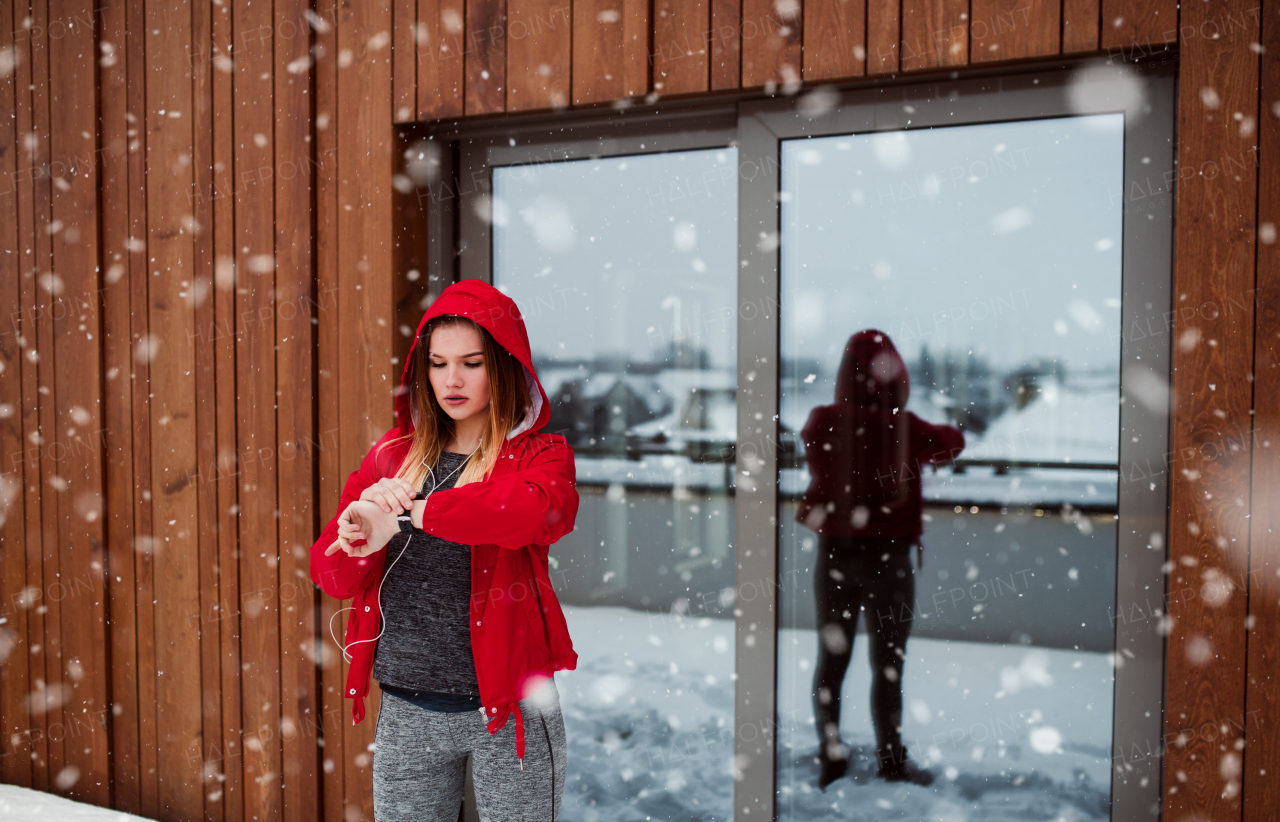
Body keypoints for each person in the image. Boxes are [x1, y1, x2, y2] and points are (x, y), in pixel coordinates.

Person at [309, 280, 579, 821]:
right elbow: (331, 574)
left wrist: (423, 512)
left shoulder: (538, 456)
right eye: (437, 363)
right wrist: (359, 535)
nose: (451, 380)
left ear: (502, 367)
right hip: (408, 709)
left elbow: (541, 511)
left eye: (471, 363)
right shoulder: (390, 458)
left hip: (510, 712)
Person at [795, 329, 964, 790]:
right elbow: (953, 442)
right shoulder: (907, 429)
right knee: (888, 663)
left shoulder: (821, 421)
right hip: (889, 560)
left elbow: (817, 455)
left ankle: (831, 755)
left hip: (836, 555)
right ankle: (891, 759)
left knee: (833, 659)